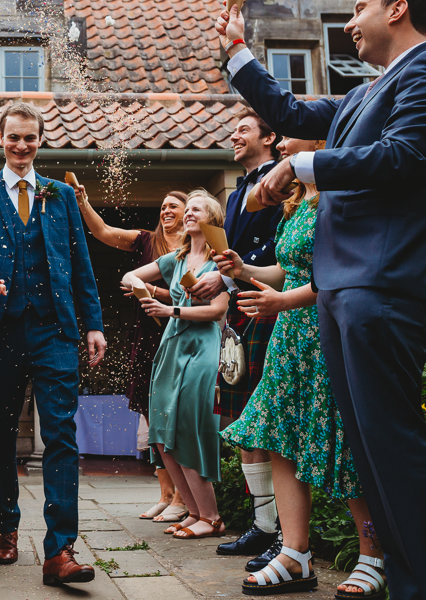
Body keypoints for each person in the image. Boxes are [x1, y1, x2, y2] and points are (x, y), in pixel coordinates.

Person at [218, 3, 426, 597]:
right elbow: (288, 111)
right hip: (338, 294)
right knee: (369, 447)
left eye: (360, 5)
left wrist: (300, 167)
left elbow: (404, 156)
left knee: (392, 445)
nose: (350, 19)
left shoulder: (422, 74)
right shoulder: (363, 94)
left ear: (399, 6)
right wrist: (238, 53)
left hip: (379, 286)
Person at [214, 136, 385, 597]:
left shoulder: (341, 193)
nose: (283, 139)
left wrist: (282, 300)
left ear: (322, 141)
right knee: (280, 439)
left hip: (327, 331)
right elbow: (287, 269)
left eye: (292, 131)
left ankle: (373, 554)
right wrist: (245, 271)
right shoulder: (296, 199)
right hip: (290, 339)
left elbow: (340, 270)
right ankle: (295, 554)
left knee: (344, 441)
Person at [0, 103, 106, 586]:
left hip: (55, 331)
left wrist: (93, 324)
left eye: (30, 139)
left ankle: (60, 548)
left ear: (41, 141)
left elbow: (81, 264)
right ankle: (6, 525)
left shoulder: (60, 195)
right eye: (13, 138)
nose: (21, 147)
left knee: (61, 433)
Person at [189, 108, 284, 562]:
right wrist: (222, 277)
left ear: (269, 138)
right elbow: (233, 252)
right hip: (243, 312)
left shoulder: (281, 183)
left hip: (270, 306)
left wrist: (226, 280)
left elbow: (276, 247)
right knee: (245, 423)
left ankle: (280, 530)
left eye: (244, 129)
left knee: (265, 422)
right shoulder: (241, 187)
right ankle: (262, 526)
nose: (234, 136)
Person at [75, 188, 189, 523]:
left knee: (177, 415)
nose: (166, 210)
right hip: (147, 335)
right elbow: (105, 233)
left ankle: (184, 496)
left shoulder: (195, 247)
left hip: (181, 334)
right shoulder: (146, 241)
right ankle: (166, 494)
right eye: (164, 206)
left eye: (174, 206)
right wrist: (84, 203)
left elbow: (191, 295)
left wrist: (149, 290)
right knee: (150, 409)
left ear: (189, 212)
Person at [121, 190, 229, 540]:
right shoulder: (176, 259)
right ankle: (193, 512)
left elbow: (217, 312)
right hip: (172, 345)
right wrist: (143, 290)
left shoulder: (222, 261)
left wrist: (171, 310)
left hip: (202, 346)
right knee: (162, 432)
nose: (188, 214)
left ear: (211, 217)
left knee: (190, 426)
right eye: (188, 210)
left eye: (196, 209)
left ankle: (211, 517)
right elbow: (130, 276)